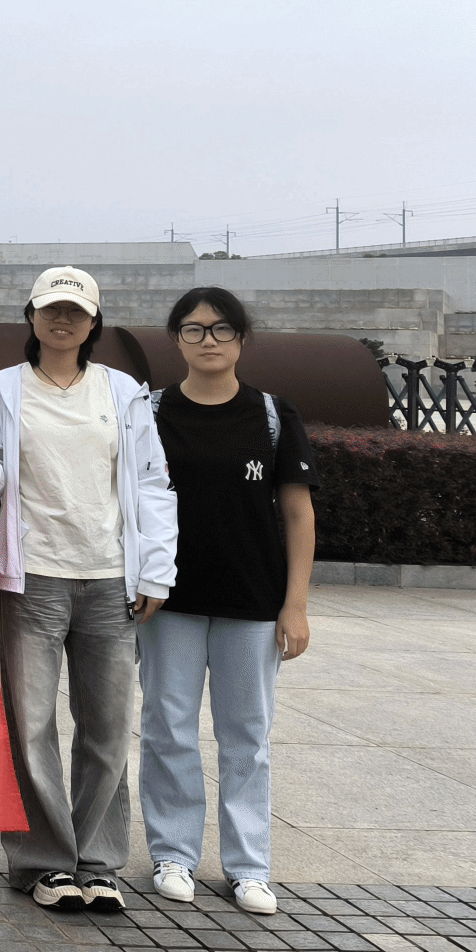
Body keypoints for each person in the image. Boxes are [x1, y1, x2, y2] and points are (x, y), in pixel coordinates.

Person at [0, 266, 177, 914]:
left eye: (76, 312)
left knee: (107, 728)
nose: (62, 321)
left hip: (109, 576)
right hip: (32, 576)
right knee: (30, 724)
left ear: (93, 324)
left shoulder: (122, 392)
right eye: (51, 309)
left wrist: (155, 571)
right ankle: (43, 862)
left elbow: (151, 483)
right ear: (31, 316)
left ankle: (96, 861)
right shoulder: (5, 388)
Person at [141, 288, 317, 917]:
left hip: (253, 601)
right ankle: (173, 854)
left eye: (221, 329)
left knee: (247, 736)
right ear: (176, 339)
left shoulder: (271, 415)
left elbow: (297, 513)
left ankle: (249, 867)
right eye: (193, 329)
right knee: (168, 729)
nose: (208, 340)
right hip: (169, 602)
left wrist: (295, 604)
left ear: (242, 338)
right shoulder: (150, 412)